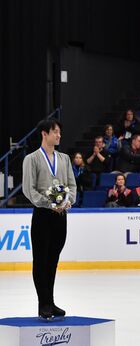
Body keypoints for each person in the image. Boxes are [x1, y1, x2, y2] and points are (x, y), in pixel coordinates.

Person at [22, 118, 76, 320]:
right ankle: (43, 303)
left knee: (53, 260)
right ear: (44, 134)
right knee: (41, 261)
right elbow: (29, 190)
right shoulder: (32, 159)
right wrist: (50, 203)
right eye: (55, 132)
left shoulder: (64, 159)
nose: (59, 135)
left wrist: (67, 202)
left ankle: (50, 302)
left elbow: (72, 184)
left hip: (61, 216)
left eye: (59, 132)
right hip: (43, 215)